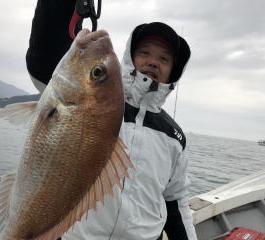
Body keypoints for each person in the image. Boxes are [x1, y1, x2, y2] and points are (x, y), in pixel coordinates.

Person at [26, 1, 196, 239]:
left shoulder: (174, 137)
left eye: (164, 58)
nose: (153, 61)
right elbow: (44, 59)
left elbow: (176, 201)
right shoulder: (95, 104)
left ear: (173, 71)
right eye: (145, 52)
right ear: (130, 58)